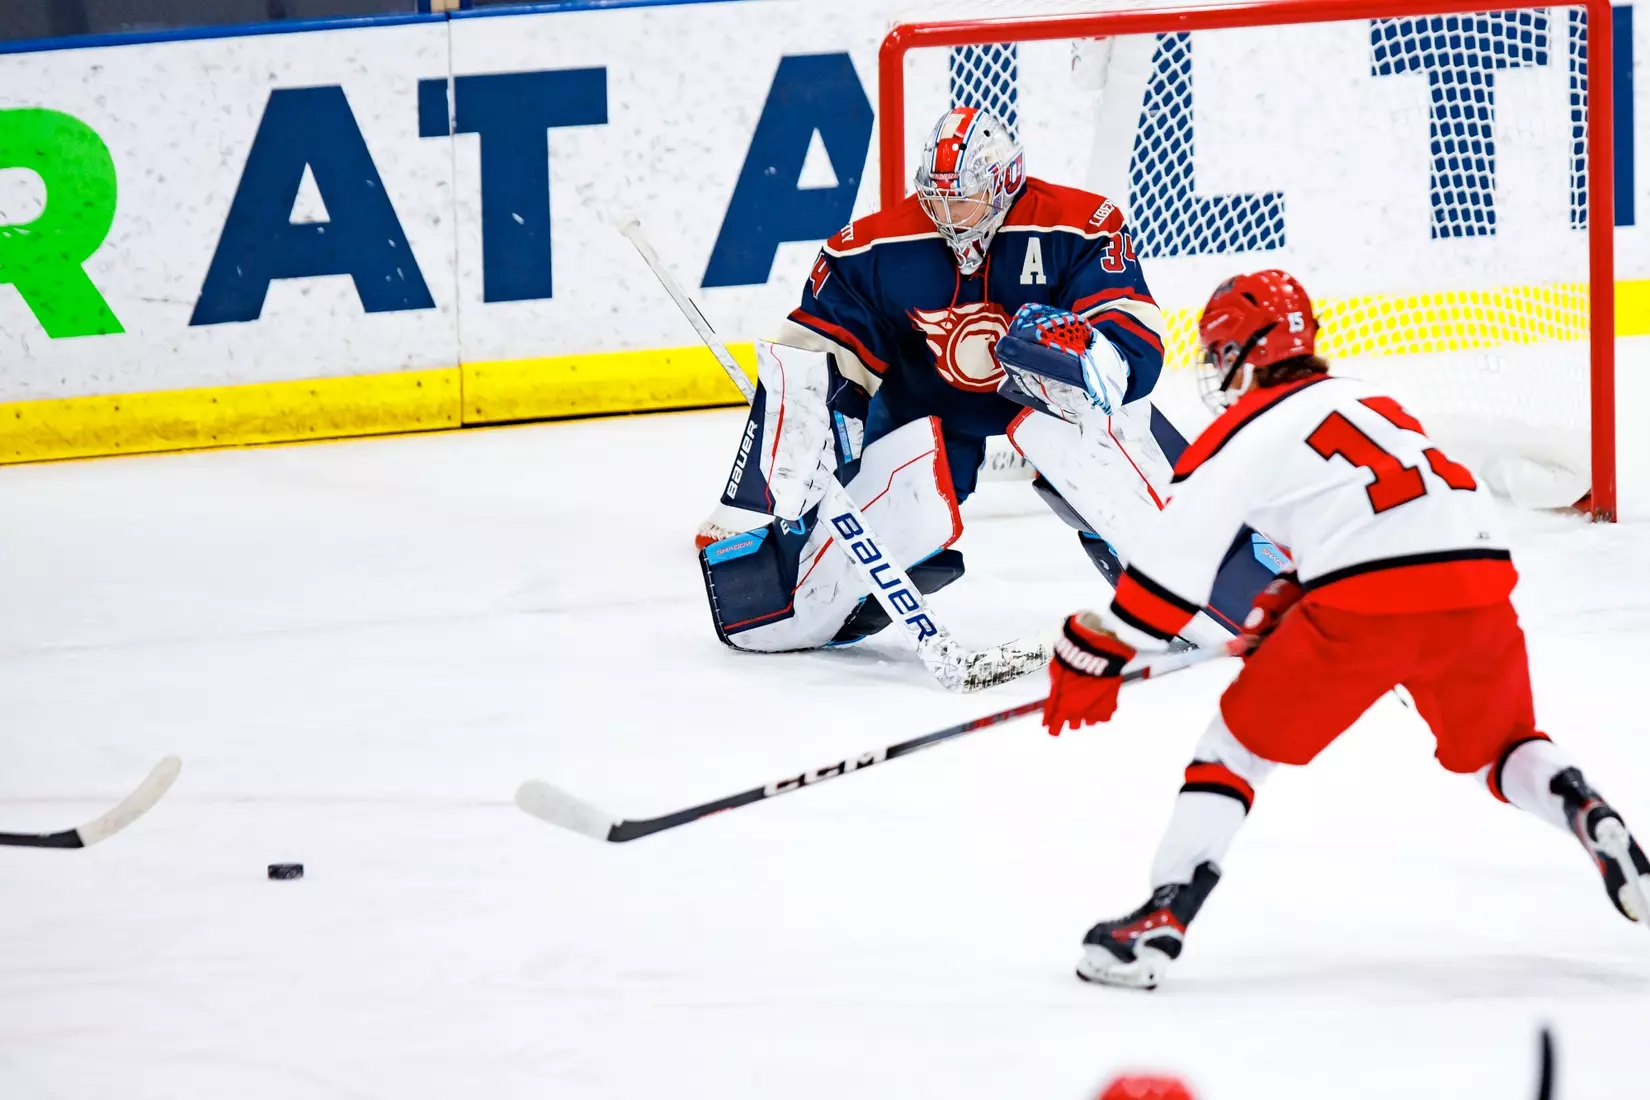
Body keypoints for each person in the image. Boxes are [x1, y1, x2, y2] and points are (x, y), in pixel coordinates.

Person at [1028, 269, 1649, 990]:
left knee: (1231, 748)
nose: (1216, 368)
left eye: (1221, 349)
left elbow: (1169, 572)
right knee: (1501, 747)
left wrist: (1095, 649)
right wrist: (1296, 592)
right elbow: (1375, 511)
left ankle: (1160, 919)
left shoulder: (1241, 428)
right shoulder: (1375, 402)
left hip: (1367, 603)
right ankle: (1585, 808)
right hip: (1480, 584)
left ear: (1248, 348)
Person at [697, 105, 1276, 655]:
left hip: (1058, 405)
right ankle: (781, 589)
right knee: (803, 596)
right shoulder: (875, 245)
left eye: (965, 198)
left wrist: (1092, 357)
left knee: (1116, 473)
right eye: (939, 198)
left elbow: (1128, 326)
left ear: (1004, 182)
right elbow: (825, 345)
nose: (950, 214)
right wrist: (809, 417)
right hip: (927, 408)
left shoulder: (1078, 224)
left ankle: (1227, 590)